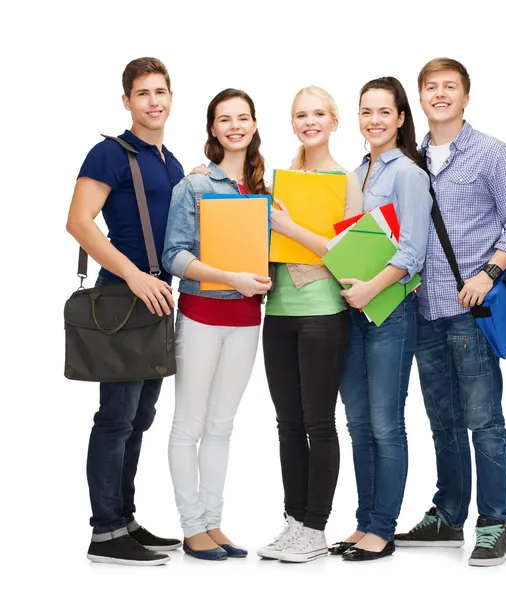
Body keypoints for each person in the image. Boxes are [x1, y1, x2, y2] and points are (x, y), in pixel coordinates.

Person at [393, 58, 506, 567]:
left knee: (484, 420)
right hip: (422, 310)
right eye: (431, 87)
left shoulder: (491, 154)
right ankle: (448, 516)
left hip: (469, 310)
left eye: (449, 86)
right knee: (442, 420)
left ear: (466, 96)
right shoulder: (410, 158)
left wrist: (486, 275)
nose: (440, 94)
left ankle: (494, 523)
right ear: (421, 97)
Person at [66, 57, 184, 566]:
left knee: (139, 418)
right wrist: (135, 275)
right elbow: (79, 222)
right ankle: (105, 532)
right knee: (114, 419)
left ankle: (126, 519)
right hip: (121, 299)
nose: (153, 101)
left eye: (160, 92)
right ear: (126, 101)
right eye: (143, 93)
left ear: (171, 98)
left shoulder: (172, 162)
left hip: (158, 304)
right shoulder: (108, 154)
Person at [162, 88, 272, 561]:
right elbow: (174, 255)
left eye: (242, 117)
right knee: (190, 423)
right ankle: (191, 527)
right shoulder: (194, 186)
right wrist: (228, 277)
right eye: (224, 119)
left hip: (247, 320)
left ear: (253, 124)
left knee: (222, 425)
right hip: (202, 315)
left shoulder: (266, 191)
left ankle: (213, 521)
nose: (234, 126)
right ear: (212, 128)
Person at [254, 86, 362, 563]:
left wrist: (291, 228)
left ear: (334, 121)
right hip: (276, 311)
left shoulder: (347, 181)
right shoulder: (280, 180)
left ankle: (316, 528)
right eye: (301, 114)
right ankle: (294, 521)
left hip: (322, 312)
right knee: (287, 423)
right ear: (293, 122)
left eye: (319, 113)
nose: (310, 121)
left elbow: (349, 255)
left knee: (319, 422)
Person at [330, 77, 432, 562]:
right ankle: (364, 521)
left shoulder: (408, 173)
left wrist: (371, 288)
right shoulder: (357, 172)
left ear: (400, 119)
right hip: (352, 311)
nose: (373, 120)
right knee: (357, 422)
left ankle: (383, 529)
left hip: (390, 310)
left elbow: (413, 249)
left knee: (386, 423)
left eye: (383, 112)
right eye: (366, 111)